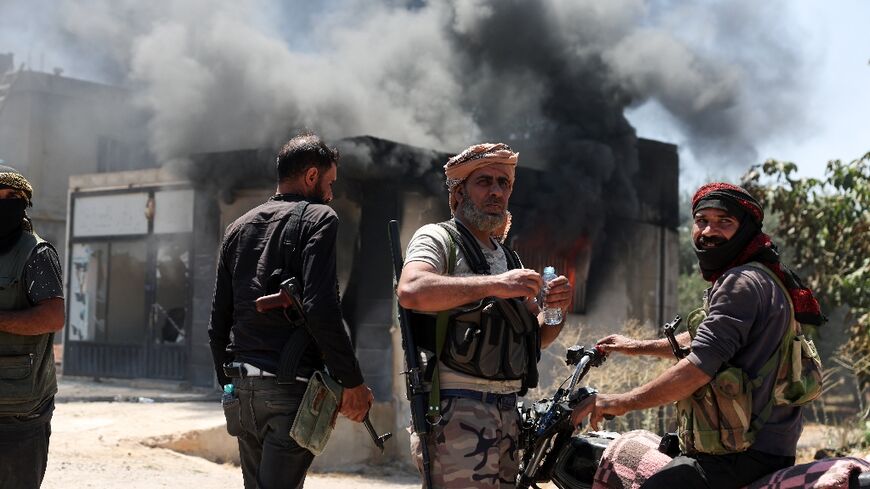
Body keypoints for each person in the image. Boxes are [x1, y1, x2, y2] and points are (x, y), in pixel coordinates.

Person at [571, 182, 825, 489]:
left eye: (724, 222)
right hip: (765, 449)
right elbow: (709, 339)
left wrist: (620, 402)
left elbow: (699, 367)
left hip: (741, 456)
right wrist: (635, 346)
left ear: (746, 230)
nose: (708, 231)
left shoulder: (740, 283)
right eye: (702, 221)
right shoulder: (761, 276)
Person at [397, 143, 572, 488]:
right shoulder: (438, 238)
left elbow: (535, 338)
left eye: (503, 184)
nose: (496, 191)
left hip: (508, 416)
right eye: (485, 182)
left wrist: (556, 309)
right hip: (455, 413)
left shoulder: (510, 259)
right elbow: (411, 289)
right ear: (459, 191)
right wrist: (496, 285)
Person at [208, 134, 374, 489]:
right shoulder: (320, 218)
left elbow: (217, 323)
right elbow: (321, 307)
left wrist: (227, 385)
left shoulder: (237, 228)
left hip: (242, 389)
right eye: (329, 183)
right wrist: (353, 381)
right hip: (289, 392)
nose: (330, 193)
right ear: (311, 177)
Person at [0, 165, 65, 488]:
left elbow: (53, 317)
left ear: (24, 204)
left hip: (18, 413)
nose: (2, 203)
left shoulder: (36, 254)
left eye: (11, 197)